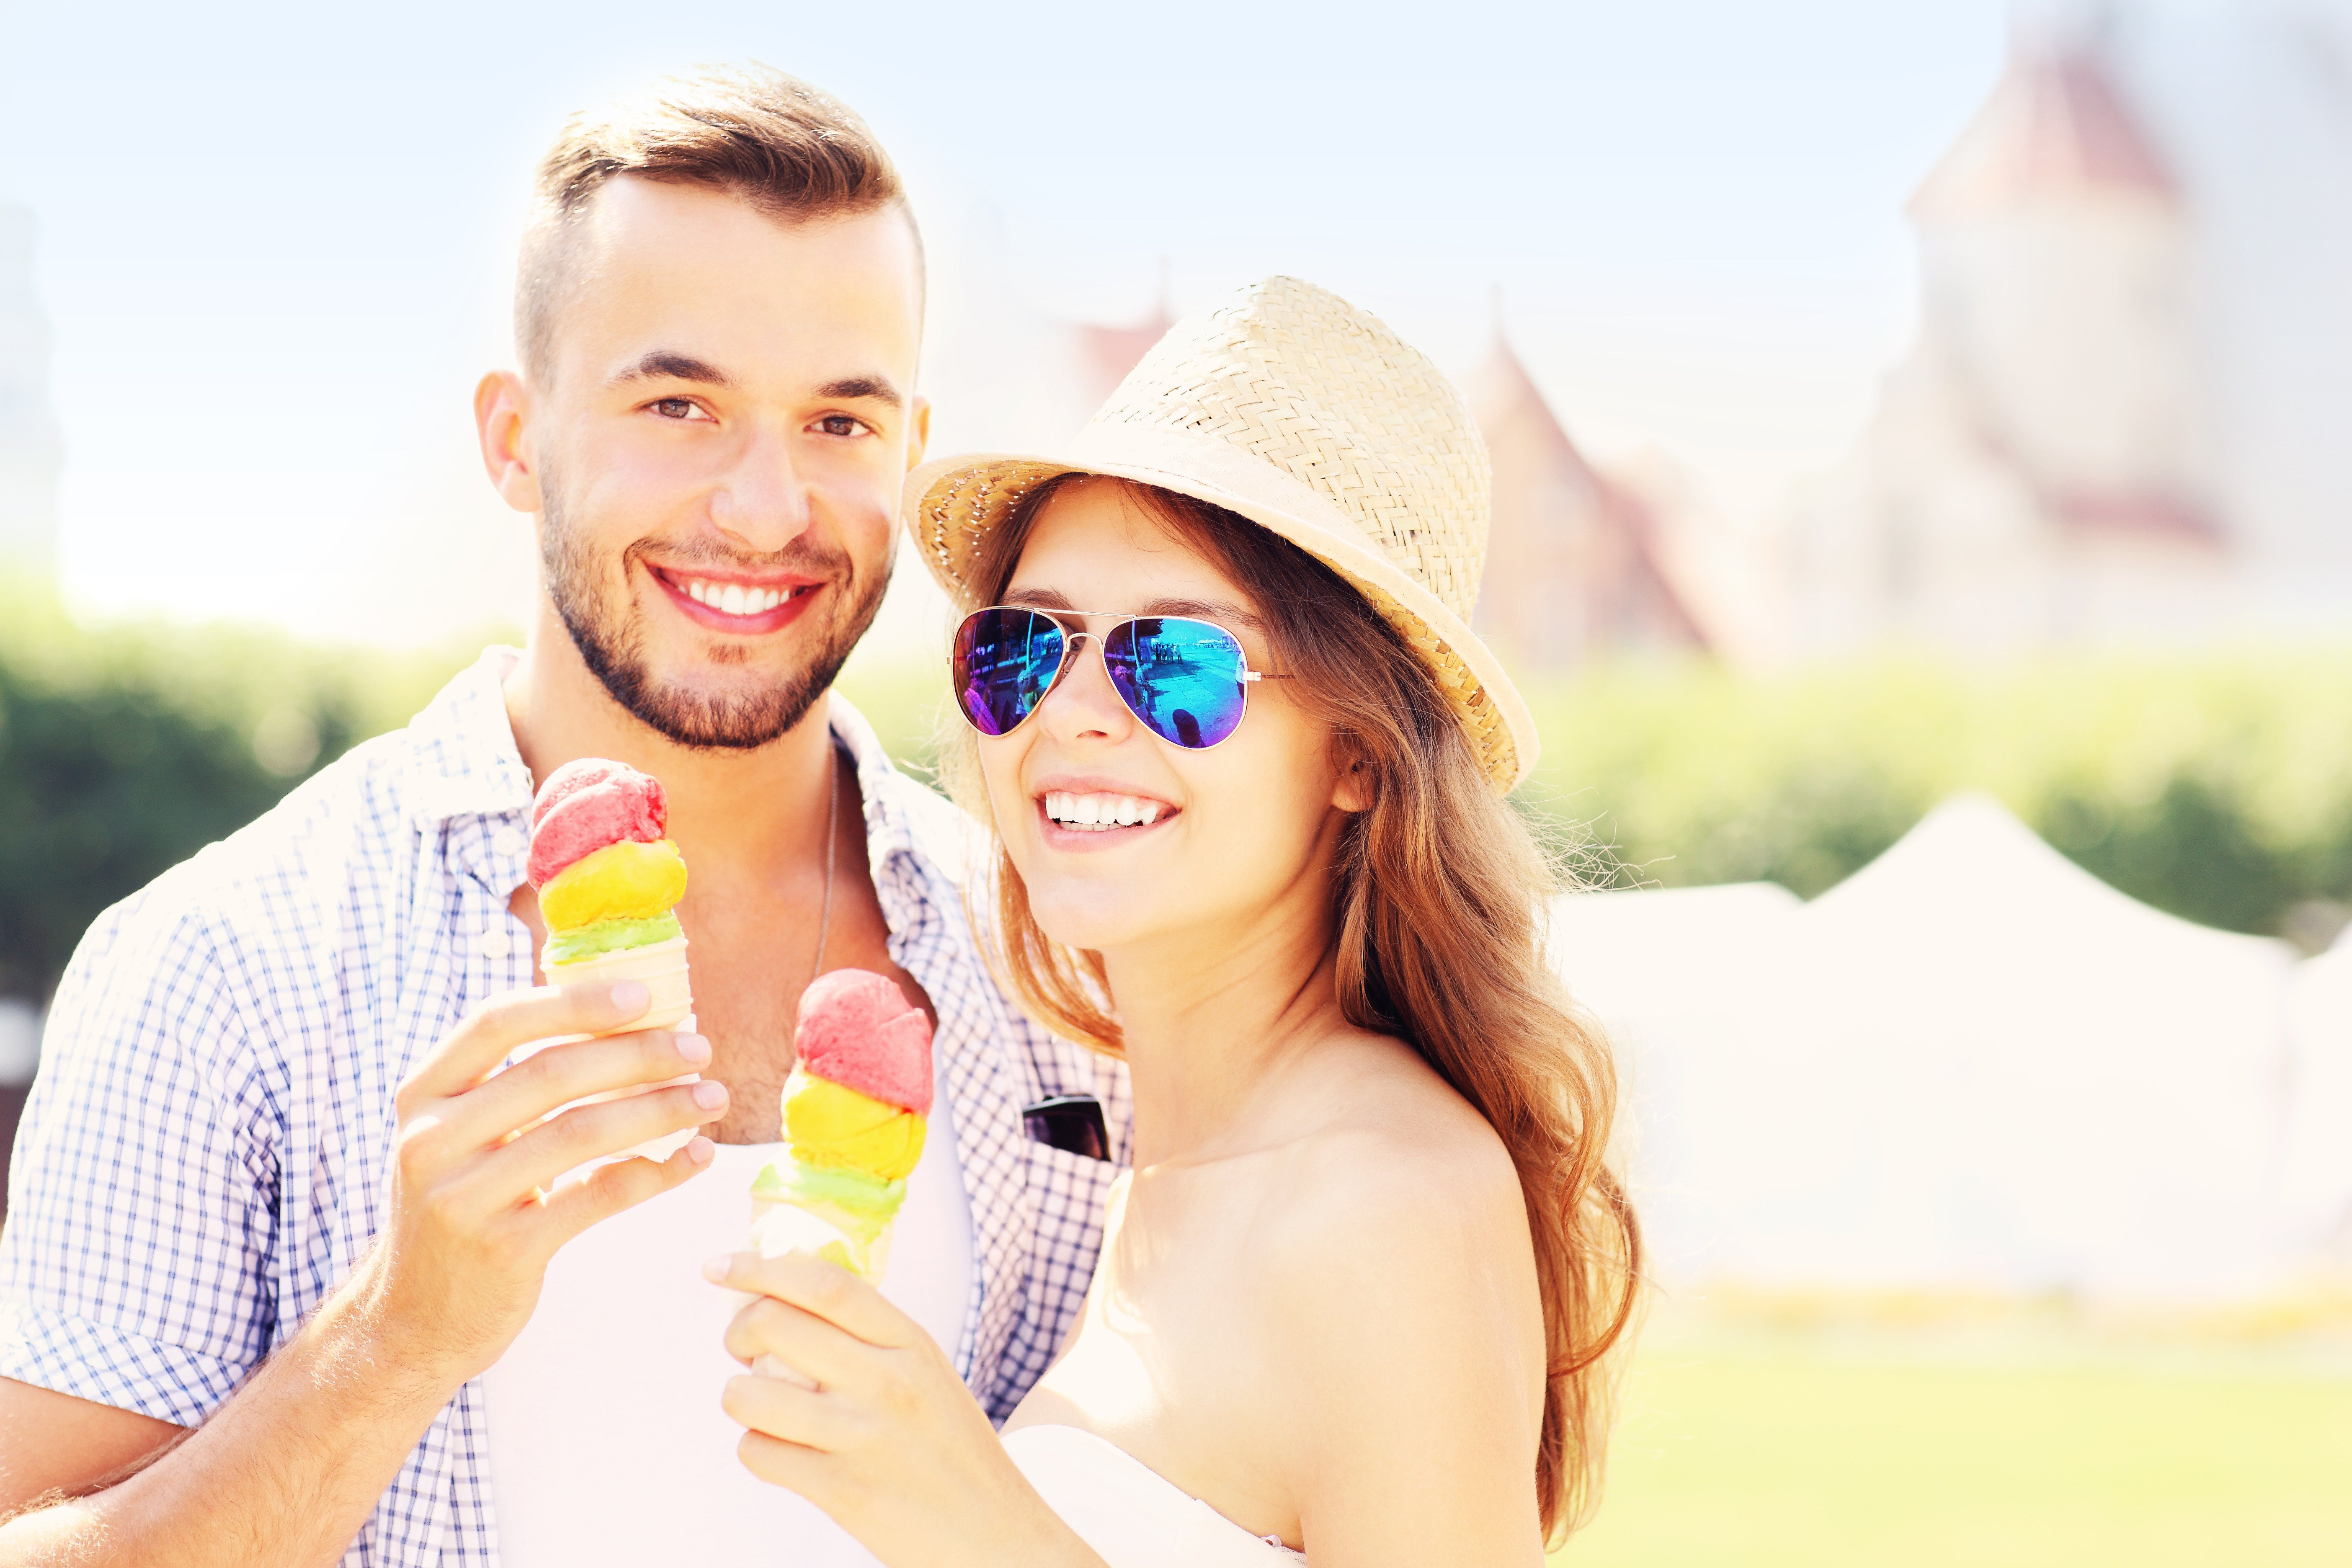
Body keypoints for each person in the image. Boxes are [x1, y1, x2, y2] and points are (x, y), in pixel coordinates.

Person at [0, 66, 1126, 1568]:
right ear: (514, 440)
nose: (767, 507)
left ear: (911, 444)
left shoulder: (1066, 969)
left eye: (841, 423)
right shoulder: (221, 964)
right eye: (680, 404)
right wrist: (394, 1339)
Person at [709, 276, 1644, 1565]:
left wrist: (975, 1523)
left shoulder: (1385, 1204)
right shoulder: (1136, 1160)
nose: (1076, 711)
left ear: (1358, 760)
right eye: (1022, 648)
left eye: (1177, 665)